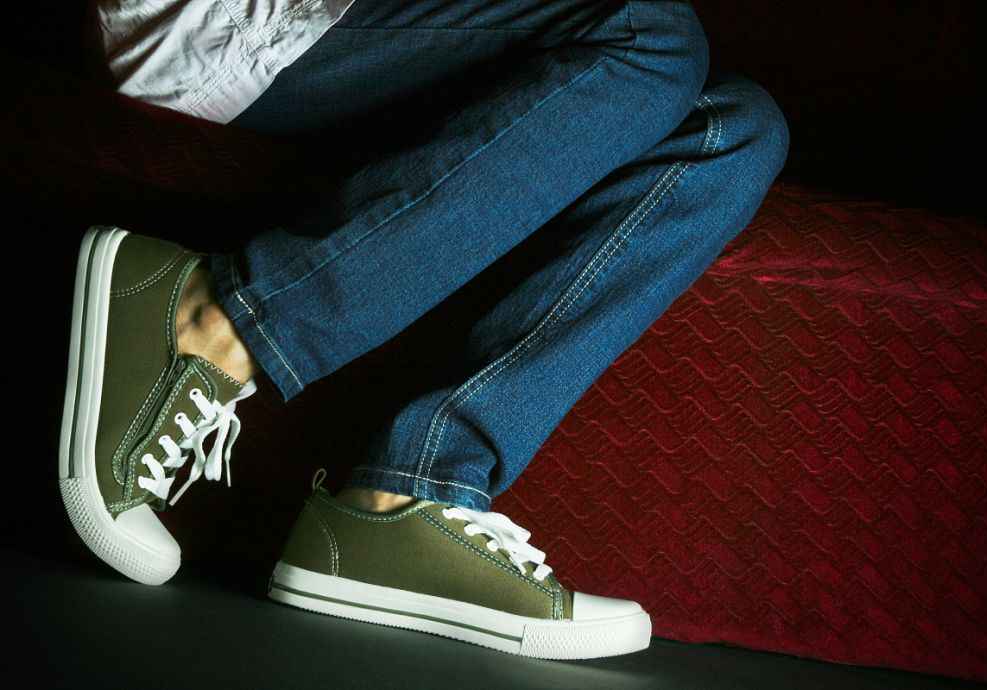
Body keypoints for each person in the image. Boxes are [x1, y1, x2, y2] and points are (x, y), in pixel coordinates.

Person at [61, 0, 788, 660]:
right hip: (233, 25)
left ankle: (411, 491)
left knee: (735, 127)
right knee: (648, 35)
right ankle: (215, 320)